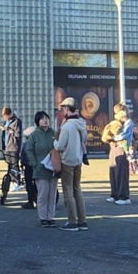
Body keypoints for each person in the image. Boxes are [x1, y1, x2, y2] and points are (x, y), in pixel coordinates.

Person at [55, 97, 88, 231]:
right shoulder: (82, 123)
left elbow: (60, 146)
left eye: (63, 108)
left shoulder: (68, 126)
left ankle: (72, 221)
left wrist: (54, 142)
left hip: (67, 160)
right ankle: (83, 221)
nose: (62, 111)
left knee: (68, 191)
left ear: (67, 109)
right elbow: (84, 139)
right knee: (77, 190)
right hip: (78, 160)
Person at [25, 111, 60, 227]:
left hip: (53, 169)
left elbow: (59, 148)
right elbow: (29, 150)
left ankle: (51, 217)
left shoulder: (54, 134)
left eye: (47, 118)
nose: (45, 120)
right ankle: (43, 218)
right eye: (42, 119)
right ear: (37, 121)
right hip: (40, 169)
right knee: (43, 194)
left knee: (52, 195)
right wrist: (34, 163)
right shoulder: (34, 135)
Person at [103, 103, 132, 205]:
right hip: (113, 147)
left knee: (121, 173)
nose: (115, 113)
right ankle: (114, 194)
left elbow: (123, 135)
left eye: (117, 111)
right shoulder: (116, 122)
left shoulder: (128, 122)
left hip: (122, 148)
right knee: (113, 172)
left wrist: (112, 137)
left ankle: (124, 197)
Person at [1, 107, 23, 192]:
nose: (4, 118)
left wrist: (8, 129)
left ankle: (16, 183)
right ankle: (11, 181)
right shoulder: (6, 122)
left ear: (9, 114)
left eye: (5, 116)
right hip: (7, 146)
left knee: (14, 165)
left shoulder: (17, 121)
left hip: (14, 146)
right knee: (9, 165)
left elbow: (17, 134)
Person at [18, 124, 39, 209]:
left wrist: (22, 163)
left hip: (28, 166)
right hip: (37, 166)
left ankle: (30, 201)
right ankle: (39, 201)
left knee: (29, 184)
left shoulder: (26, 144)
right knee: (38, 184)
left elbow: (22, 156)